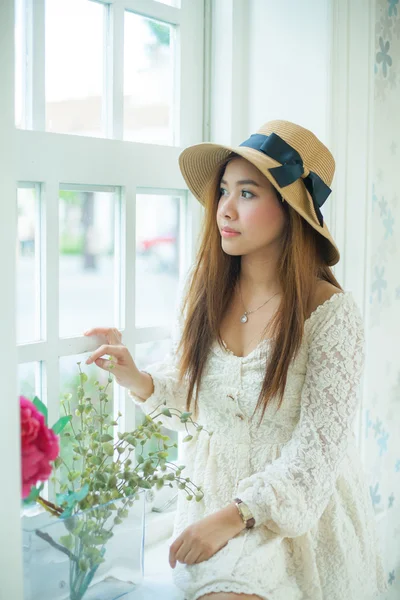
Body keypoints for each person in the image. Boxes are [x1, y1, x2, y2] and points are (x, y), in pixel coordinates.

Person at [83, 120, 388, 600]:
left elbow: (315, 455)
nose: (224, 208)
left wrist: (232, 517)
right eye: (224, 190)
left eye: (247, 194)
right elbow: (193, 403)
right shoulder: (204, 290)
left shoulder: (331, 315)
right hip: (214, 502)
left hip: (294, 520)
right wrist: (135, 378)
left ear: (290, 210)